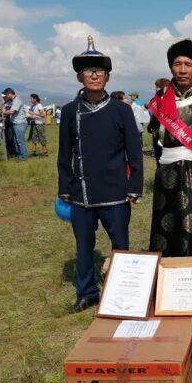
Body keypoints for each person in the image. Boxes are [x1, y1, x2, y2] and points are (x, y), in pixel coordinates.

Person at [57, 36, 143, 313]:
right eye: (88, 72)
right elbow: (64, 153)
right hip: (82, 193)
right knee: (84, 248)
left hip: (116, 191)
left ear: (107, 77)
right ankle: (87, 292)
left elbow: (134, 152)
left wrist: (135, 186)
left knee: (121, 245)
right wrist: (65, 187)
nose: (94, 75)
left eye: (100, 71)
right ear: (80, 77)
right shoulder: (70, 111)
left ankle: (126, 292)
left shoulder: (121, 110)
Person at [147, 39, 192, 257]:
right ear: (171, 68)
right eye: (178, 64)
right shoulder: (159, 100)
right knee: (166, 228)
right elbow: (156, 142)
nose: (183, 69)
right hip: (167, 174)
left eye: (188, 64)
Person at [1, 88, 28, 161]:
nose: (6, 96)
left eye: (6, 95)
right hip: (16, 123)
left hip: (19, 123)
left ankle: (23, 156)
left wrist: (4, 112)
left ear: (9, 93)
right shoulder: (13, 101)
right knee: (17, 141)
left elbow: (12, 111)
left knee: (20, 141)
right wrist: (3, 103)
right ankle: (19, 155)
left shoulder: (17, 101)